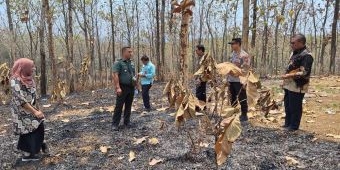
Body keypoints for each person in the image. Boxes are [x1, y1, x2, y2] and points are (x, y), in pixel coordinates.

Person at [10, 58, 48, 162]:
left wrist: (39, 109)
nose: (33, 69)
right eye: (31, 67)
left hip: (31, 108)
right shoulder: (15, 80)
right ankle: (27, 154)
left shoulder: (29, 79)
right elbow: (20, 99)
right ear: (24, 67)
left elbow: (35, 96)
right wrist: (35, 112)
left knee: (39, 125)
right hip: (21, 111)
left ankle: (37, 147)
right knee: (28, 129)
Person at [281, 33, 314, 131]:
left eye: (293, 43)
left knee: (295, 106)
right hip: (289, 83)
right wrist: (285, 79)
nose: (291, 45)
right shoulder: (294, 52)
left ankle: (294, 126)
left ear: (300, 42)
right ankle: (287, 123)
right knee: (287, 104)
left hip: (298, 84)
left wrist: (289, 75)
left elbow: (304, 72)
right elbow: (290, 67)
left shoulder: (307, 55)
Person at [112, 47, 136, 131]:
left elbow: (133, 74)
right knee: (119, 106)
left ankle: (127, 122)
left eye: (131, 52)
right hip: (122, 87)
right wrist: (118, 87)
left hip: (131, 87)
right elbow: (115, 75)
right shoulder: (118, 63)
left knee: (128, 105)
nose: (131, 53)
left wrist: (136, 84)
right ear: (124, 53)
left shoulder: (131, 63)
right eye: (129, 52)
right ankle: (115, 124)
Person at [227, 38, 251, 122]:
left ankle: (244, 114)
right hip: (231, 80)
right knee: (232, 97)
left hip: (239, 80)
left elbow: (246, 69)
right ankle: (234, 113)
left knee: (242, 97)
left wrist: (236, 73)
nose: (232, 46)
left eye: (233, 44)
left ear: (238, 44)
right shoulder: (232, 54)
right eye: (231, 44)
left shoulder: (244, 55)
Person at [195, 45, 207, 111]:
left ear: (201, 50)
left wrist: (200, 79)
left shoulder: (205, 58)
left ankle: (202, 107)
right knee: (198, 92)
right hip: (198, 78)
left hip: (202, 79)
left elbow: (204, 70)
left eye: (196, 50)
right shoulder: (199, 58)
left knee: (201, 93)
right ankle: (199, 106)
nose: (196, 51)